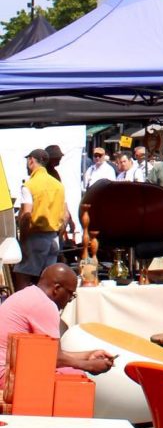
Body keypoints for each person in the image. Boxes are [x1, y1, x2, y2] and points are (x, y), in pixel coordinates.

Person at [0, 264, 115, 387]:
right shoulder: (44, 305)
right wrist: (89, 366)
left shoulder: (27, 294)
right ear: (57, 289)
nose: (70, 300)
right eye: (71, 294)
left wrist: (88, 355)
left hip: (7, 370)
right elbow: (55, 359)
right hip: (6, 376)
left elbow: (50, 354)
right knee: (77, 379)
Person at [14, 149, 68, 291]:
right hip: (54, 237)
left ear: (31, 160)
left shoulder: (30, 185)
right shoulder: (58, 185)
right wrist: (59, 235)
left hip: (35, 236)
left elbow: (26, 215)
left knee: (22, 273)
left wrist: (23, 239)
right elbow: (65, 216)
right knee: (47, 278)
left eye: (27, 161)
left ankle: (22, 308)